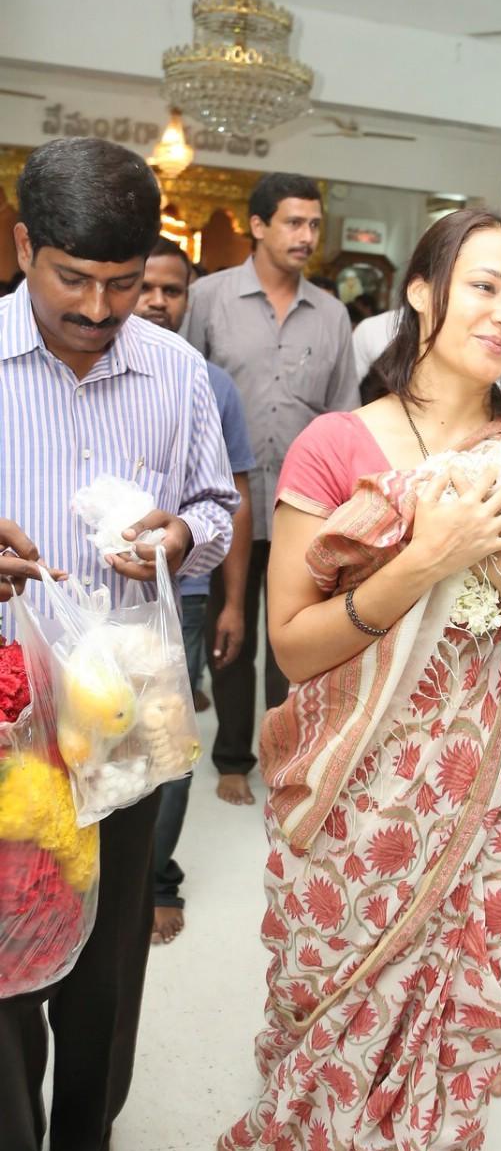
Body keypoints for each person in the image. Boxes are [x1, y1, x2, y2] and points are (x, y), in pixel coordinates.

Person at [219, 208, 501, 1151]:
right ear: (424, 292)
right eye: (484, 286)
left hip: (491, 791)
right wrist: (425, 559)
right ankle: (312, 1141)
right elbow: (294, 646)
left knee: (452, 991)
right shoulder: (337, 444)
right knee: (331, 971)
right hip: (357, 783)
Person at [0, 137, 236, 1151]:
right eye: (72, 280)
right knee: (5, 961)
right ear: (23, 247)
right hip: (6, 712)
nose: (98, 310)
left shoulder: (176, 372)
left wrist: (183, 535)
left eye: (123, 282)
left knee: (107, 961)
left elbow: (217, 506)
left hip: (127, 708)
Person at [184, 174, 360, 806]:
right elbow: (185, 392)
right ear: (258, 226)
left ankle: (286, 756)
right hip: (226, 504)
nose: (306, 236)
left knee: (296, 642)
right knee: (230, 634)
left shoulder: (332, 314)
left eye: (313, 224)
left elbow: (344, 414)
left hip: (304, 513)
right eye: (293, 222)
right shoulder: (208, 298)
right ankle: (233, 758)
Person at [134, 236, 255, 945]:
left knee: (167, 744)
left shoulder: (210, 383)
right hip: (81, 595)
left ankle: (155, 878)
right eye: (144, 285)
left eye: (171, 290)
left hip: (183, 593)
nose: (156, 300)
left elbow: (235, 498)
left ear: (189, 298)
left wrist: (233, 601)